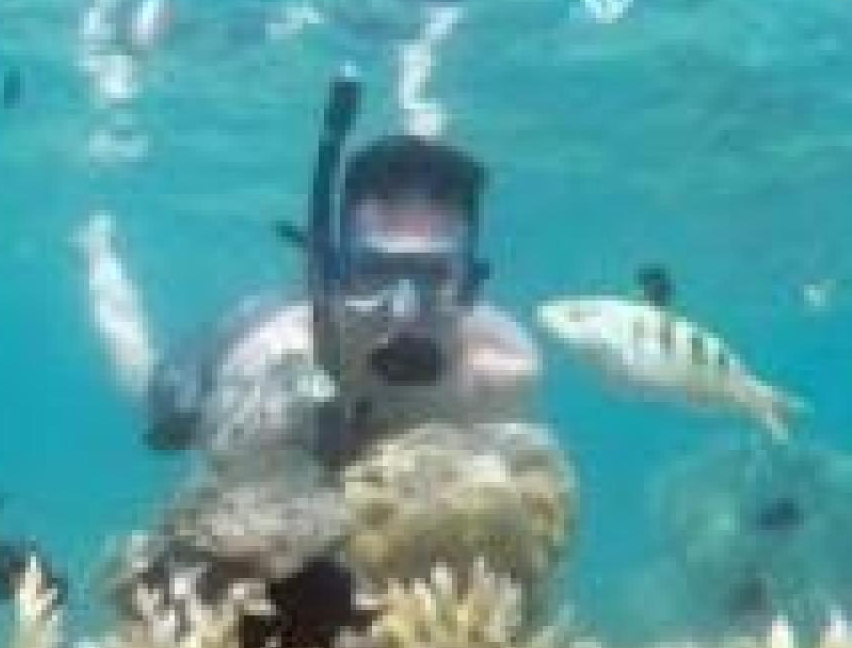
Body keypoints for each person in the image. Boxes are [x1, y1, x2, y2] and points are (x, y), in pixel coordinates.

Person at [78, 77, 539, 482]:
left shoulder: (504, 374)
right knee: (155, 396)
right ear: (334, 272)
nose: (402, 309)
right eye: (376, 270)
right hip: (233, 354)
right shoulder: (269, 382)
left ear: (470, 285)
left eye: (431, 274)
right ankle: (101, 264)